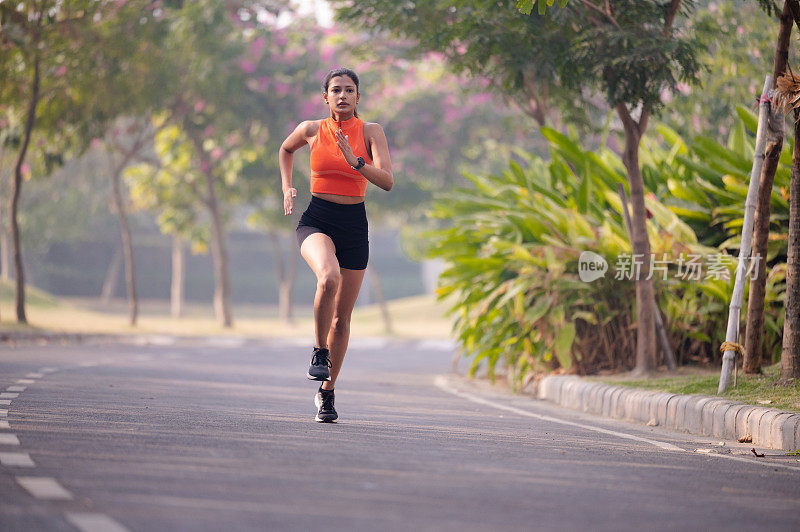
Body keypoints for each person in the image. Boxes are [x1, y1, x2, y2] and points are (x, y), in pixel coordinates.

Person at [278, 68, 393, 423]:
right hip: (318, 218)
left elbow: (387, 181)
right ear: (325, 97)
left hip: (354, 225)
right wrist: (286, 187)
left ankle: (327, 393)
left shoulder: (371, 132)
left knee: (342, 318)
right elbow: (285, 149)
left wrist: (355, 162)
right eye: (336, 90)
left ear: (358, 97)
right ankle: (318, 351)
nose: (342, 96)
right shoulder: (312, 129)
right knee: (328, 277)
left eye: (349, 90)